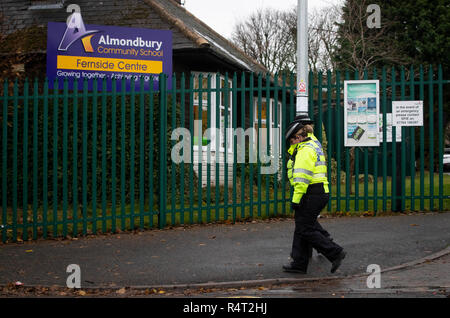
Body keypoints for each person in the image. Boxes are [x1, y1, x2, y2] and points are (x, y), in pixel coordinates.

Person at [283, 114, 346, 274]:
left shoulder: (305, 150)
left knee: (304, 228)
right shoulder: (312, 143)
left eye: (292, 140)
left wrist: (296, 199)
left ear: (298, 137)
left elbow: (302, 178)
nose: (291, 143)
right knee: (302, 225)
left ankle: (334, 251)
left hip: (312, 192)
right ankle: (299, 263)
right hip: (317, 192)